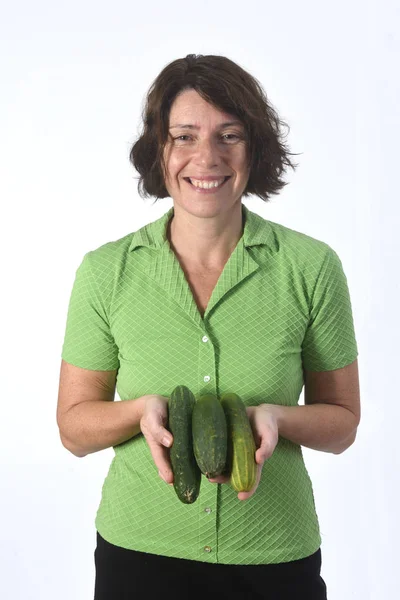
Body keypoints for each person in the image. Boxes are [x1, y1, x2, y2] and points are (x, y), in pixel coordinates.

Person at [57, 54, 360, 600]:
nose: (207, 157)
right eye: (184, 136)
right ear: (159, 149)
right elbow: (74, 429)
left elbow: (342, 423)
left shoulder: (311, 267)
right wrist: (138, 412)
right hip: (139, 554)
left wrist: (277, 418)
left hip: (273, 552)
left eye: (230, 135)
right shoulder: (106, 272)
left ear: (255, 148)